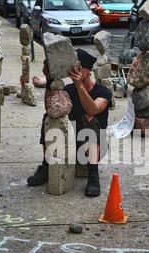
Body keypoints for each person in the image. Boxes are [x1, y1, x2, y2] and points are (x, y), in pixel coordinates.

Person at [27, 49, 112, 197]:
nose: (74, 70)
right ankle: (46, 166)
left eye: (78, 67)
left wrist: (79, 85)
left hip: (96, 146)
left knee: (89, 118)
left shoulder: (103, 92)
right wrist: (49, 81)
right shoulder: (68, 89)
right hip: (71, 142)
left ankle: (93, 175)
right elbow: (50, 107)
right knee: (48, 117)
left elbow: (93, 108)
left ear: (88, 71)